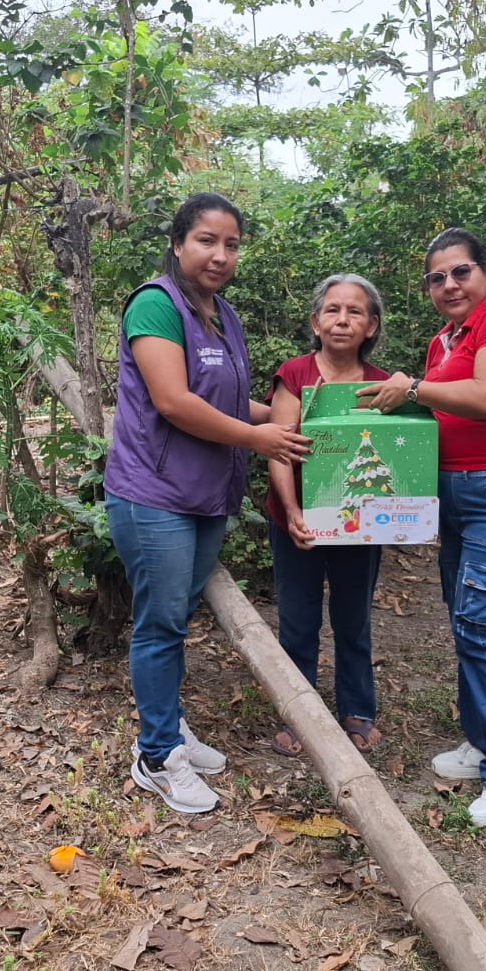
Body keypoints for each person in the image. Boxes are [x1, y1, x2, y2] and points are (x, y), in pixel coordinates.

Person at [104, 192, 311, 815]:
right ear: (177, 244)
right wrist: (258, 438)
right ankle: (156, 754)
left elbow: (223, 400)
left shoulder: (223, 314)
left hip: (206, 495)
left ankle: (168, 725)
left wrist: (285, 420)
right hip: (155, 494)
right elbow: (174, 401)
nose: (220, 255)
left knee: (178, 617)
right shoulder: (156, 305)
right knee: (161, 622)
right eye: (206, 241)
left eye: (232, 244)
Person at [358, 227, 486, 827]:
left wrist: (414, 388)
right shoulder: (444, 339)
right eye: (436, 277)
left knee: (480, 620)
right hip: (459, 492)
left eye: (460, 272)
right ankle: (484, 740)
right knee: (466, 617)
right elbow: (436, 413)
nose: (449, 284)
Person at [265, 274, 390, 757]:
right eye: (333, 310)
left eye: (355, 312)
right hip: (296, 522)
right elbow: (279, 449)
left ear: (371, 325)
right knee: (297, 619)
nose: (342, 320)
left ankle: (357, 707)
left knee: (353, 618)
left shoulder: (383, 385)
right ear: (316, 322)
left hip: (358, 528)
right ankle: (300, 714)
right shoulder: (295, 374)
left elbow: (392, 459)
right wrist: (292, 510)